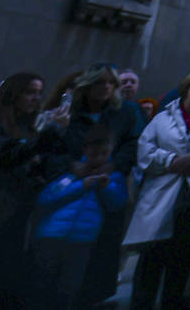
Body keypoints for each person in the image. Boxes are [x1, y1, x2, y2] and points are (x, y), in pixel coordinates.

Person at [124, 68, 190, 309]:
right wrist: (171, 161)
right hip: (163, 194)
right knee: (151, 258)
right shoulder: (163, 118)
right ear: (186, 90)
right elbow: (145, 150)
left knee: (181, 261)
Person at [61, 63, 145, 306]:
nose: (106, 87)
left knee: (103, 248)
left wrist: (114, 165)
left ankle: (94, 297)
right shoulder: (72, 112)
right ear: (88, 85)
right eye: (100, 82)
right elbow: (58, 145)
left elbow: (135, 143)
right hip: (77, 184)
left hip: (110, 185)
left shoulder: (126, 112)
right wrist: (72, 165)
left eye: (111, 83)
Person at [0, 72, 63, 307]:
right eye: (30, 92)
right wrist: (48, 135)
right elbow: (8, 156)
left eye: (39, 93)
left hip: (19, 213)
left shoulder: (27, 128)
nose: (36, 98)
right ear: (13, 95)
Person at [29, 125, 129, 310]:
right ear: (85, 151)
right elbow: (45, 199)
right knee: (41, 283)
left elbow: (117, 203)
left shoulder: (114, 178)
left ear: (111, 151)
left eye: (104, 154)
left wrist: (105, 187)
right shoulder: (72, 173)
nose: (98, 159)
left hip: (82, 242)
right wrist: (81, 185)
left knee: (68, 287)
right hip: (51, 236)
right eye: (94, 154)